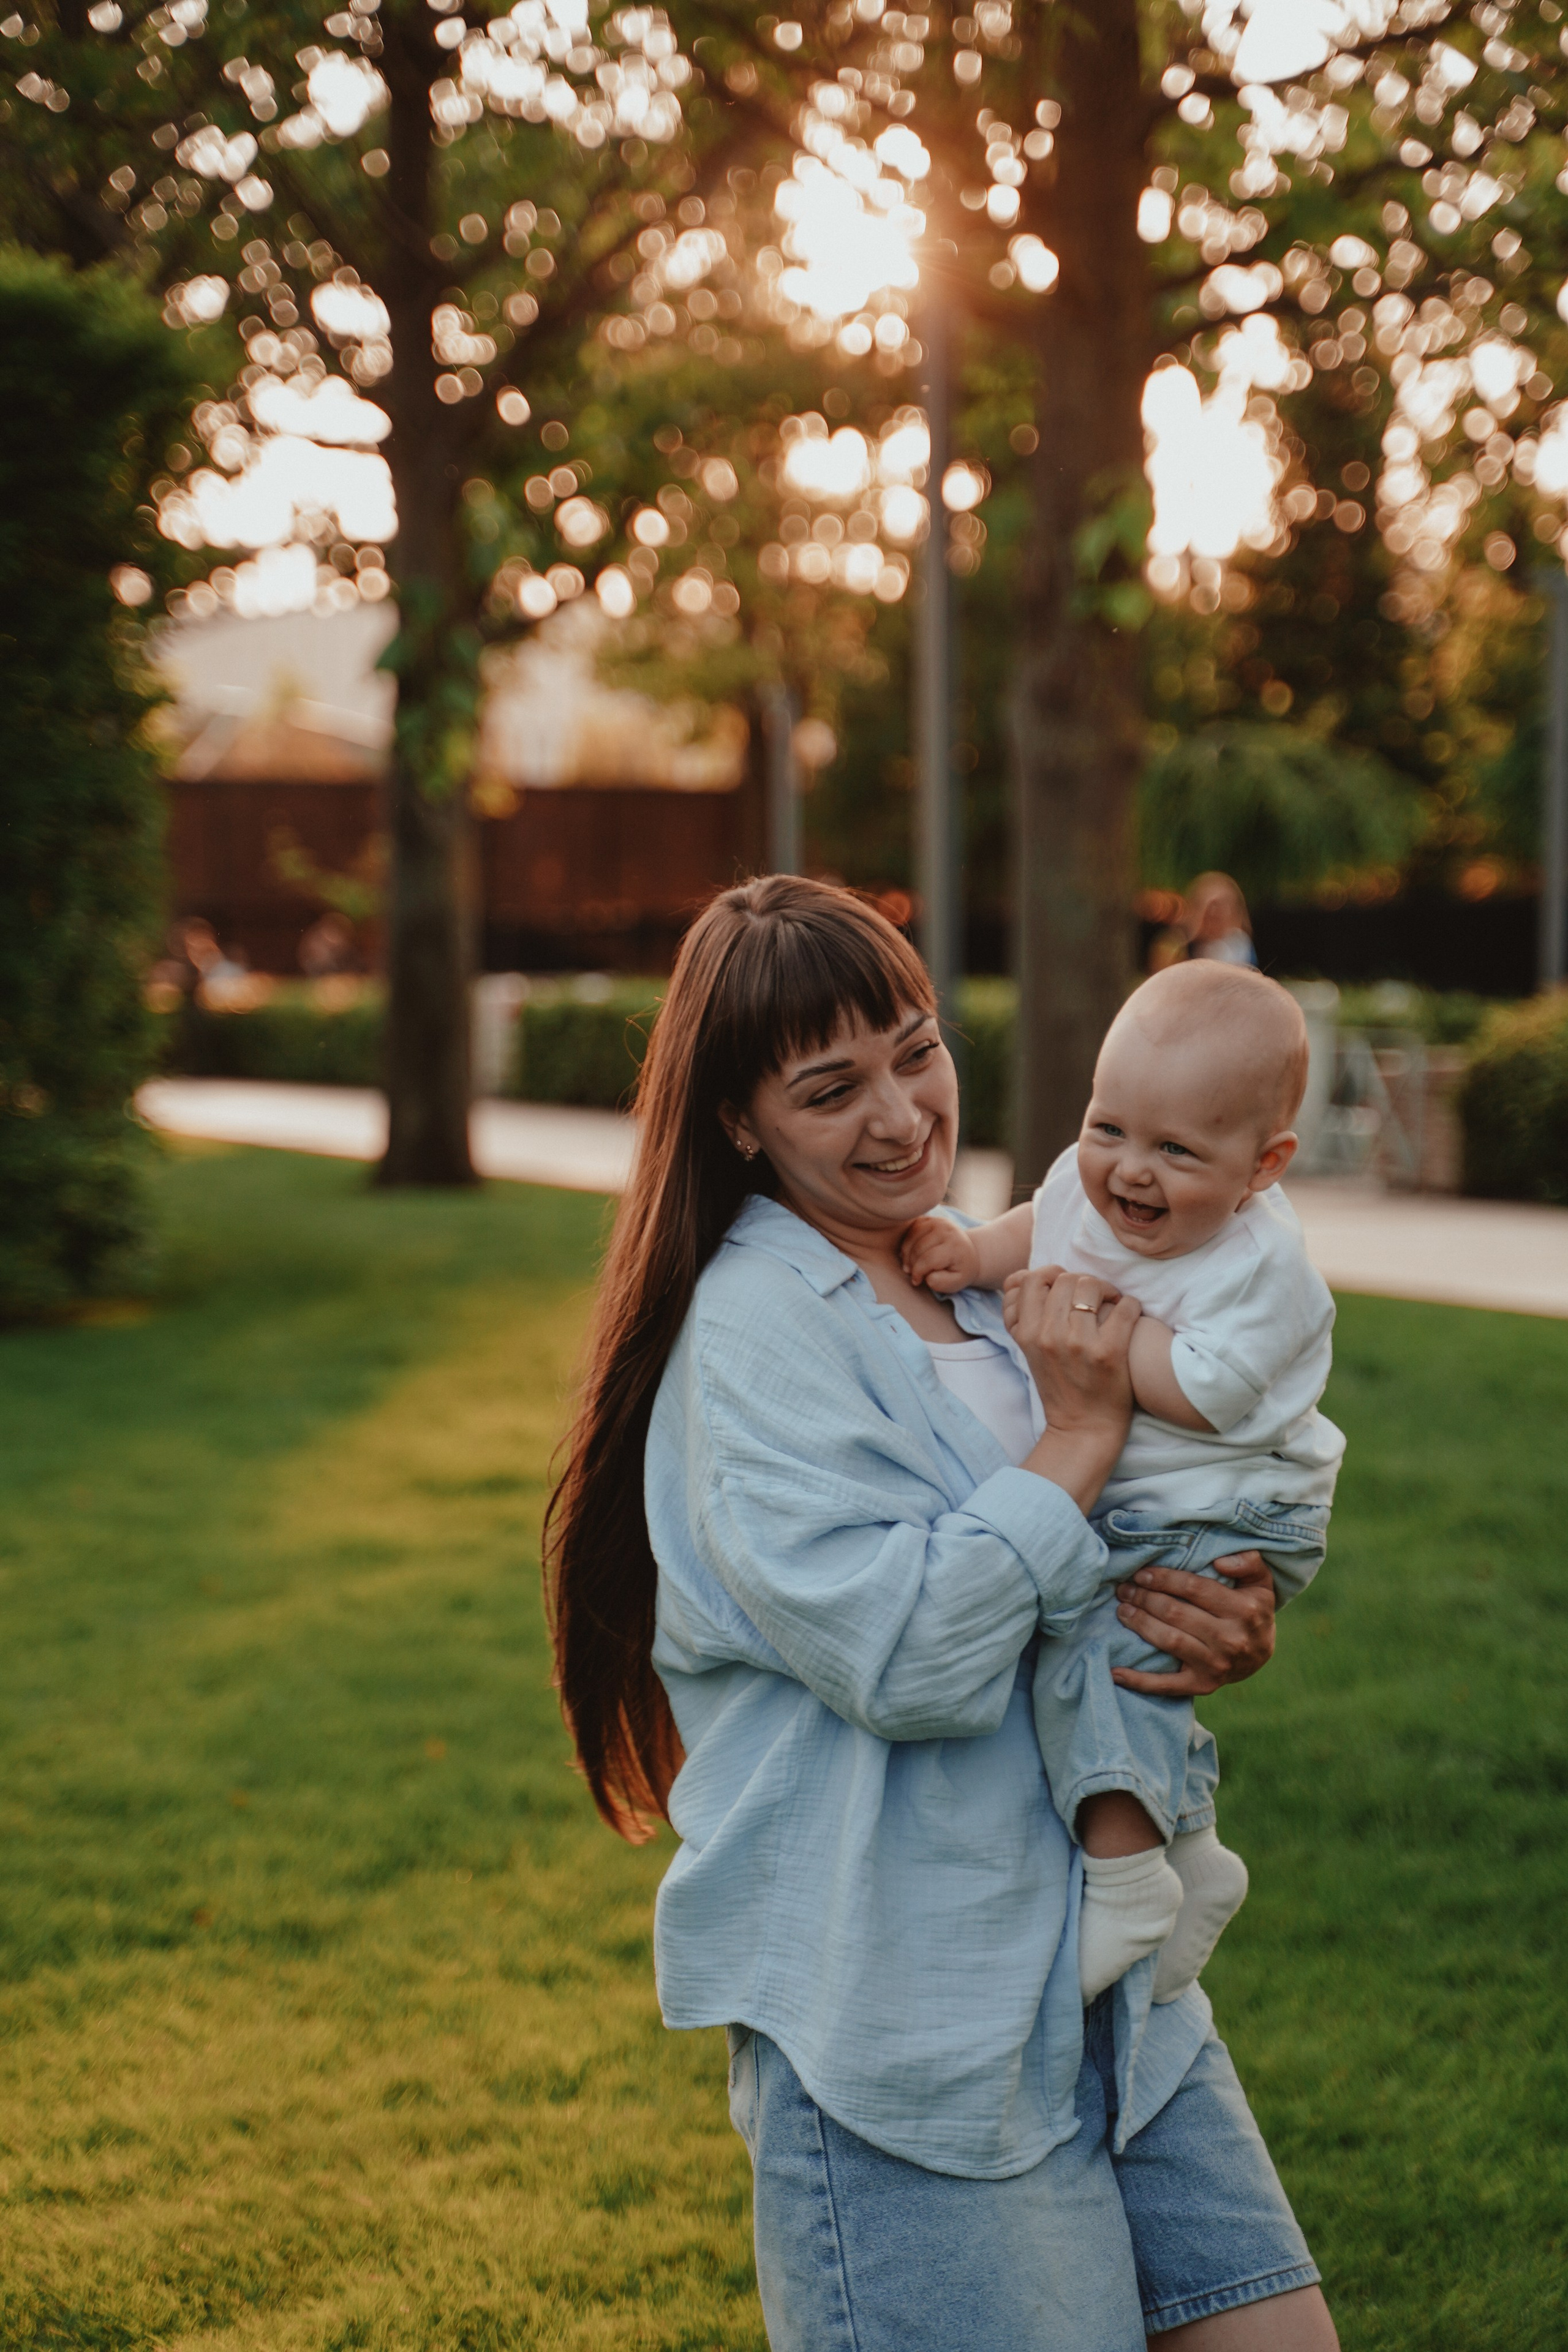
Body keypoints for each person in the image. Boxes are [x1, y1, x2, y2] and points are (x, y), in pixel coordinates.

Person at [546, 876, 1340, 2352]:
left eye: (914, 1051)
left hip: (1108, 1983)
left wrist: (1210, 1613)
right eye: (829, 1088)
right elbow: (908, 1656)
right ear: (738, 1122)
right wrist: (1080, 1434)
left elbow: (1096, 1558)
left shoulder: (973, 1270)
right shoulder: (753, 1336)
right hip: (913, 2022)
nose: (901, 1114)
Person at [902, 960, 1344, 2010]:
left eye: (1176, 1151)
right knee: (1093, 1651)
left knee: (1102, 1659)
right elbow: (1047, 1224)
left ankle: (1128, 1882)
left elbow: (1207, 1390)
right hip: (1156, 1503)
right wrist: (976, 1251)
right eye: (1108, 1128)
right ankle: (1189, 1855)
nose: (1129, 1172)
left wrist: (1097, 1333)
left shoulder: (1264, 1270)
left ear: (1264, 1164)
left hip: (1230, 1509)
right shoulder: (1089, 1178)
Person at [1184, 873, 1257, 968]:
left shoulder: (1238, 946)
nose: (1215, 912)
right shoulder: (1184, 947)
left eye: (1223, 906)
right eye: (1210, 908)